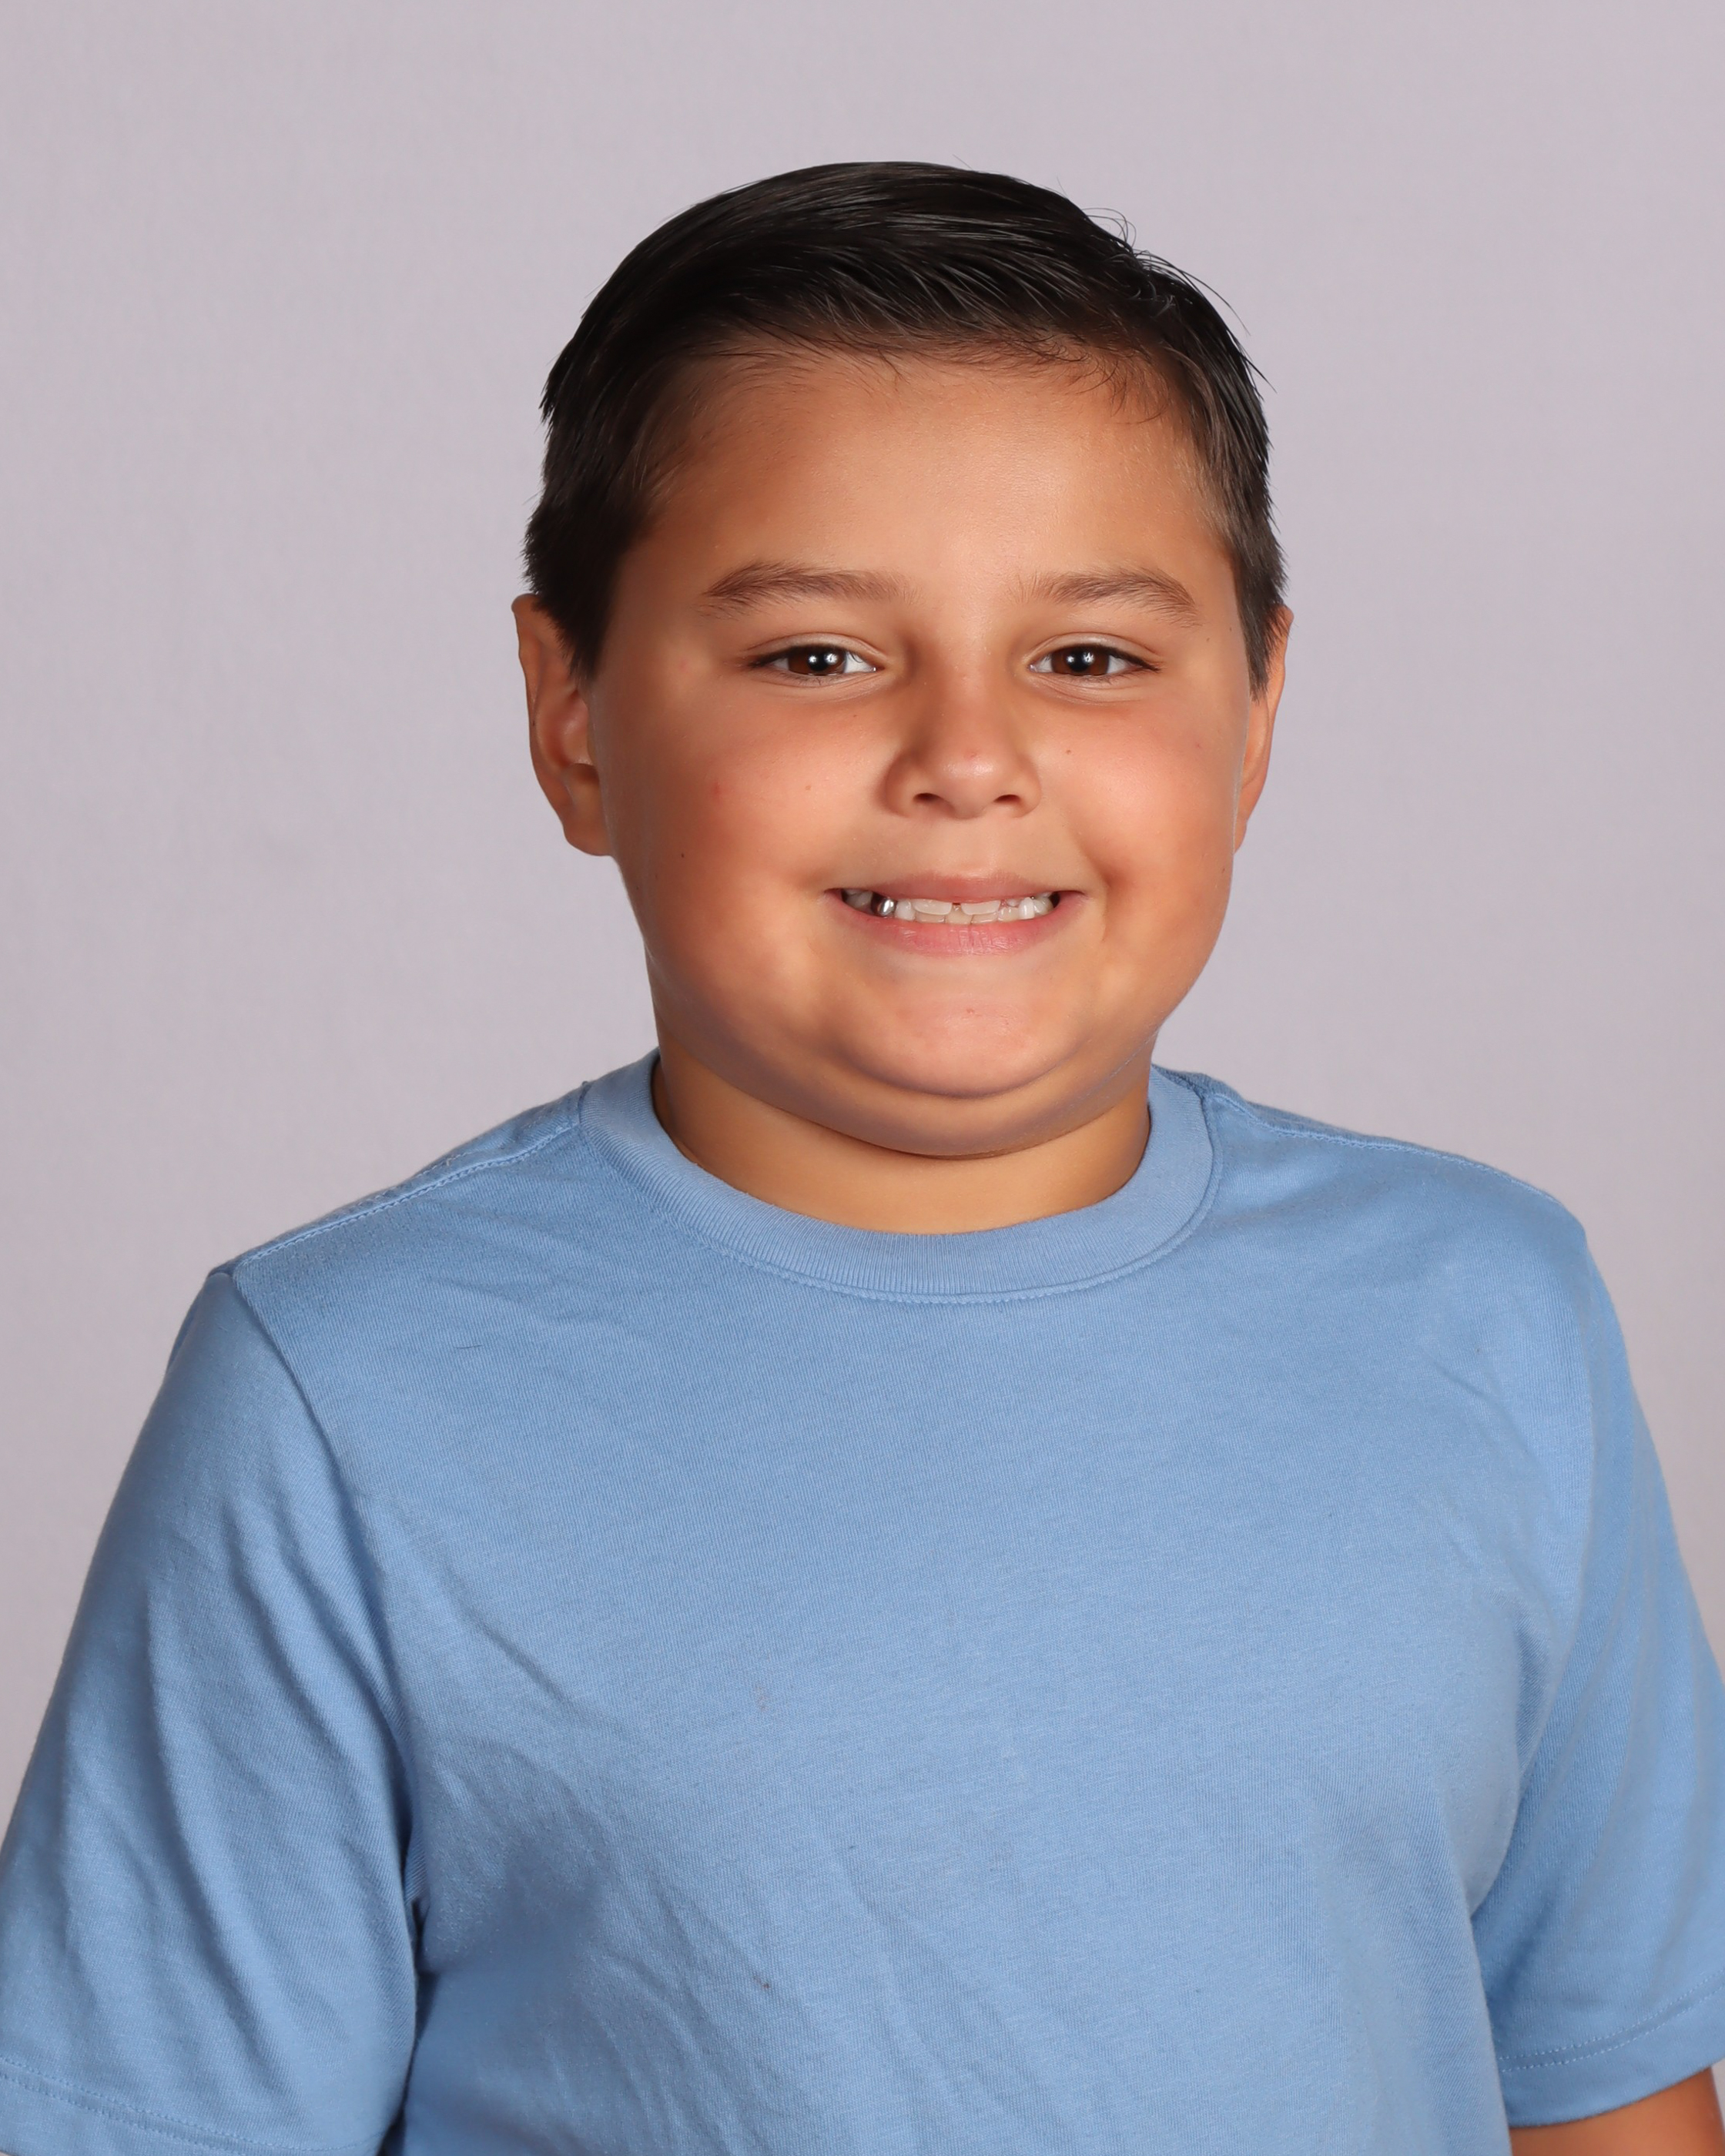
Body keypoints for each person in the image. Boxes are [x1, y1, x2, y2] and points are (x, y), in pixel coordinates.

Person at [0, 162, 1720, 2156]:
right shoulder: (338, 1388)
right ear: (573, 716)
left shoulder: (1487, 1314)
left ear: (1256, 714)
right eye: (817, 655)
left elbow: (1608, 2094)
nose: (966, 758)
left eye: (1090, 658)